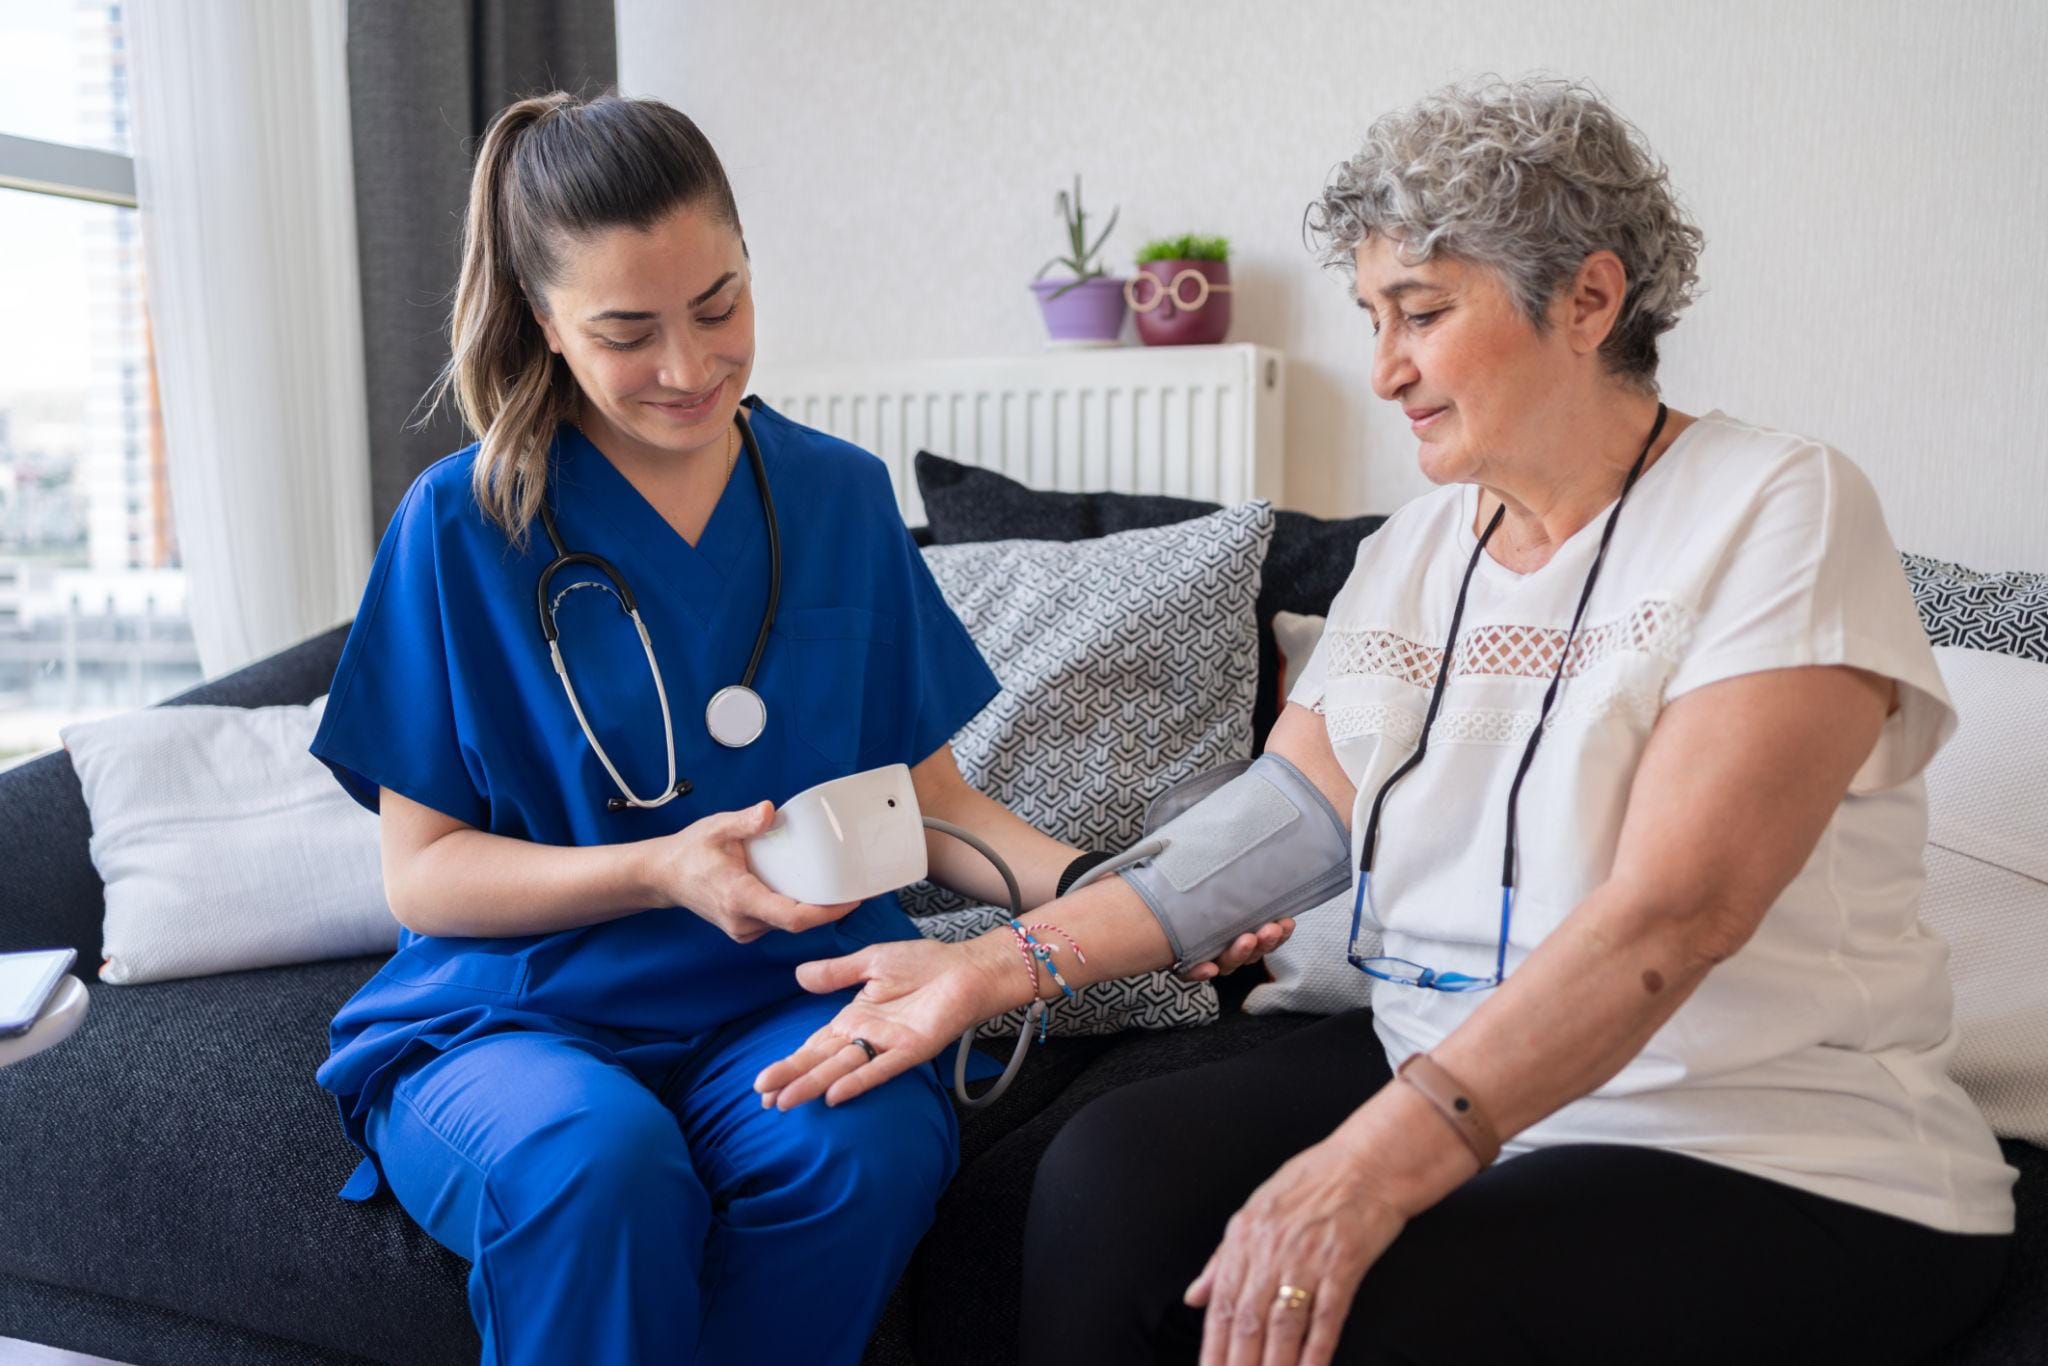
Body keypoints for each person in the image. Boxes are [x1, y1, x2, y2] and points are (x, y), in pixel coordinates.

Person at [755, 77, 2017, 1366]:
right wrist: (998, 963)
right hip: (1446, 1065)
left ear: (1587, 300)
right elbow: (1288, 814)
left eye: (1419, 313)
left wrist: (1369, 1165)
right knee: (1104, 1184)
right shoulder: (1418, 549)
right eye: (1371, 318)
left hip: (1752, 1133)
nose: (1382, 370)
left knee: (1369, 1306)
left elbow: (1675, 912)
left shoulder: (1776, 507)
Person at [308, 90, 1291, 1365]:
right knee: (593, 1169)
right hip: (515, 1016)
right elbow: (423, 874)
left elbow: (928, 800)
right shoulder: (460, 525)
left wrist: (1133, 896)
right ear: (547, 325)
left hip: (795, 992)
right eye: (626, 331)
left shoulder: (837, 496)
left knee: (857, 1147)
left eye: (718, 305)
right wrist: (659, 868)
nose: (688, 364)